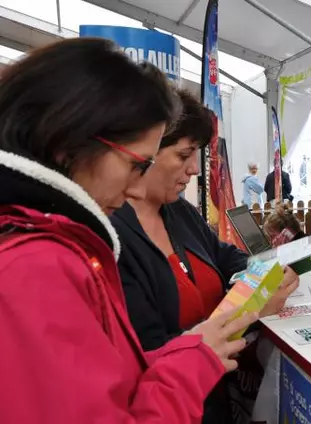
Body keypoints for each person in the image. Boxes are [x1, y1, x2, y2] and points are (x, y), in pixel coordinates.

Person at [0, 38, 254, 423]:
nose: (137, 187)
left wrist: (191, 351)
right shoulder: (35, 266)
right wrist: (193, 361)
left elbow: (109, 381)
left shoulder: (61, 247)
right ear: (68, 141)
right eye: (137, 164)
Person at [111, 89, 300, 423]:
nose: (194, 169)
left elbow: (225, 257)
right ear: (145, 152)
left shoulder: (179, 212)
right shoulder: (112, 239)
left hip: (218, 399)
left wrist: (267, 273)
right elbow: (148, 352)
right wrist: (252, 308)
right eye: (184, 155)